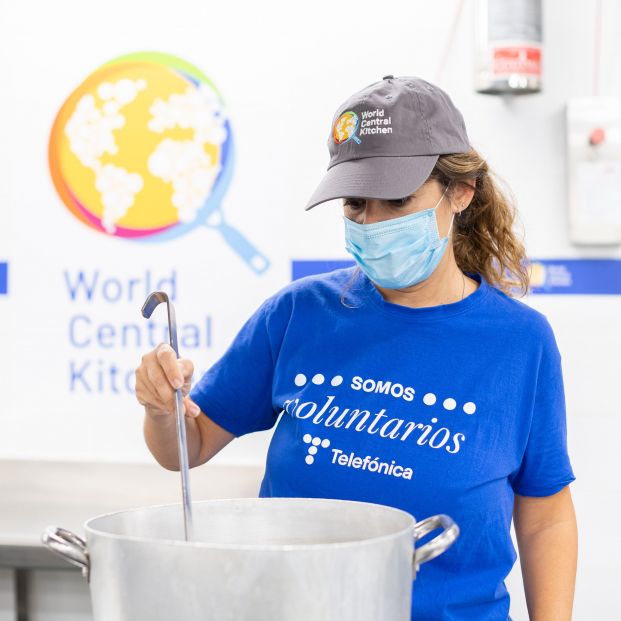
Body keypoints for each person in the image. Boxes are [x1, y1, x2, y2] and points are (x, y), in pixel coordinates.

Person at [135, 75, 578, 621]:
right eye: (356, 204)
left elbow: (545, 514)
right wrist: (162, 409)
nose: (373, 223)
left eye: (396, 200)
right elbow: (187, 446)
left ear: (460, 193)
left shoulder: (520, 343)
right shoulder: (299, 314)